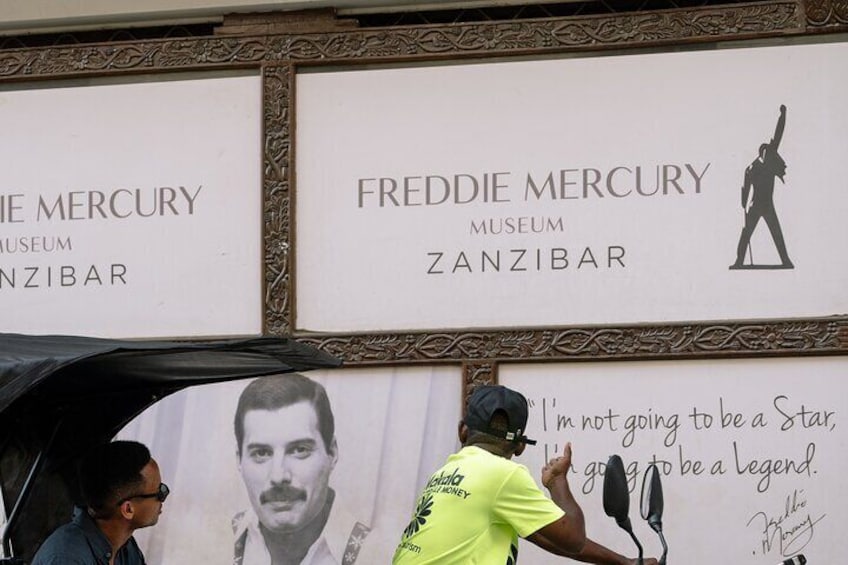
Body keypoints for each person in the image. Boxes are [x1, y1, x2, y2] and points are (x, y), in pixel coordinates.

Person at [392, 384, 658, 565]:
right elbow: (573, 539)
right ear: (520, 446)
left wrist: (624, 562)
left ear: (463, 431)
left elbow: (544, 535)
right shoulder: (503, 474)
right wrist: (557, 481)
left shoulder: (446, 472)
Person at [232, 373, 372, 565]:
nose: (279, 475)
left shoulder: (381, 553)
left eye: (299, 450)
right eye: (261, 453)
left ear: (331, 452)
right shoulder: (208, 543)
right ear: (239, 460)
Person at [31, 440, 168, 565]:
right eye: (159, 492)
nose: (164, 496)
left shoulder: (126, 548)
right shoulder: (66, 558)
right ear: (128, 510)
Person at [730, 104, 793, 269]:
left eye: (769, 153)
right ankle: (739, 260)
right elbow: (745, 187)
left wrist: (783, 115)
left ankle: (786, 260)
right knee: (746, 233)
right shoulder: (751, 168)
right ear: (760, 154)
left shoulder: (769, 162)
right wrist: (743, 203)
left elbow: (778, 134)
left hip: (768, 205)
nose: (769, 155)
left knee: (777, 233)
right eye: (766, 153)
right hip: (756, 205)